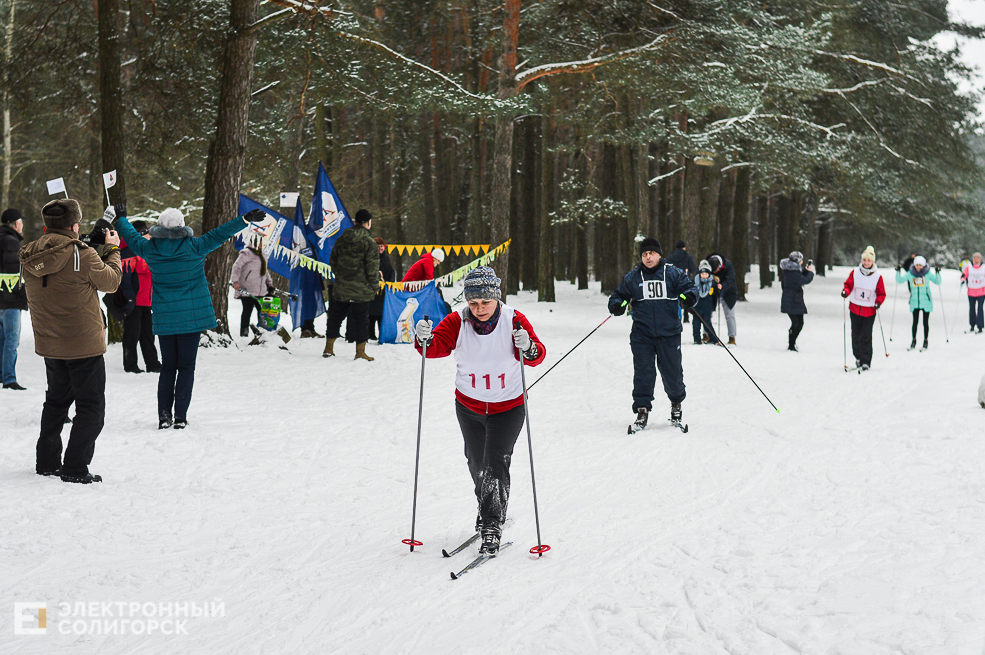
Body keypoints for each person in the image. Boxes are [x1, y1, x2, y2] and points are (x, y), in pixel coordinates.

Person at [413, 266, 546, 555]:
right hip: (469, 406)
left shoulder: (514, 320)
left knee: (495, 462)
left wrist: (529, 347)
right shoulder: (457, 321)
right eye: (473, 303)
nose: (480, 309)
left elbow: (537, 355)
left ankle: (492, 525)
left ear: (496, 298)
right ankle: (487, 508)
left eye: (485, 302)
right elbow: (434, 348)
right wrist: (423, 338)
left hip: (508, 406)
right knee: (477, 464)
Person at [113, 204, 262, 429]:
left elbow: (132, 237)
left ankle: (164, 416)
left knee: (168, 367)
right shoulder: (194, 246)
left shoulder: (150, 249)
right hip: (191, 318)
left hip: (164, 316)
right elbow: (221, 233)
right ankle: (180, 417)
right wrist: (244, 219)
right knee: (186, 367)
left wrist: (122, 218)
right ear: (182, 226)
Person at [19, 199, 123, 483]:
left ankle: (47, 462)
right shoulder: (81, 253)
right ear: (74, 226)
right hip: (84, 345)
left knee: (55, 403)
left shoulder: (29, 253)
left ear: (46, 226)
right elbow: (111, 282)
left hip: (50, 343)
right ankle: (75, 467)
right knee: (91, 408)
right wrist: (112, 250)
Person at [608, 237, 698, 431]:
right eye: (644, 254)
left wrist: (689, 296)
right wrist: (617, 305)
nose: (648, 258)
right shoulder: (632, 277)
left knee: (672, 373)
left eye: (651, 253)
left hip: (669, 334)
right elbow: (619, 296)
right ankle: (642, 410)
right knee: (643, 373)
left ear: (659, 254)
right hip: (642, 335)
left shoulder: (672, 273)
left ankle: (676, 404)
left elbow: (689, 288)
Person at [323, 208, 378, 361]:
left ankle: (329, 348)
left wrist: (340, 276)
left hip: (341, 287)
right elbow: (372, 268)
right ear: (367, 223)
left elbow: (332, 260)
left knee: (335, 317)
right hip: (362, 290)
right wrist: (374, 286)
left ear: (355, 222)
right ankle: (360, 352)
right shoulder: (369, 242)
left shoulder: (342, 238)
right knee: (361, 320)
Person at [120, 221, 161, 373]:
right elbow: (125, 278)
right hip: (134, 301)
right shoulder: (129, 252)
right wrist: (129, 298)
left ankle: (153, 364)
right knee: (132, 334)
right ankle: (130, 365)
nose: (150, 235)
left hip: (146, 300)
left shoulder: (147, 251)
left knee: (148, 334)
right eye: (146, 233)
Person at [841, 246, 886, 370]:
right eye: (864, 260)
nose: (866, 263)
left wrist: (878, 302)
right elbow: (848, 285)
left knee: (866, 336)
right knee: (855, 335)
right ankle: (858, 357)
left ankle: (866, 360)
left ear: (873, 262)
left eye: (869, 261)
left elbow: (881, 293)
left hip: (869, 311)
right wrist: (845, 291)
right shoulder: (855, 272)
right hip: (855, 309)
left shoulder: (877, 276)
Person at [0, 208, 28, 389]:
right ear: (16, 223)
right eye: (21, 221)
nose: (23, 225)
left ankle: (3, 375)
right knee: (11, 339)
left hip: (2, 299)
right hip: (9, 300)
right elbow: (14, 273)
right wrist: (24, 294)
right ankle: (9, 378)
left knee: (3, 339)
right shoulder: (11, 242)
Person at [230, 235, 273, 337]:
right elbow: (236, 266)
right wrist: (235, 281)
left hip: (261, 288)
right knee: (247, 309)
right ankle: (244, 331)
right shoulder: (246, 253)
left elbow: (265, 270)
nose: (262, 245)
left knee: (262, 310)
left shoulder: (263, 254)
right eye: (261, 243)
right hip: (247, 288)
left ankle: (263, 330)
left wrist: (269, 283)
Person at [896, 255, 940, 350]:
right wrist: (898, 272)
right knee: (915, 322)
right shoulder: (910, 274)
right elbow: (899, 280)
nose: (918, 267)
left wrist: (937, 273)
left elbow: (938, 282)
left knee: (925, 322)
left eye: (920, 265)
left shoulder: (927, 274)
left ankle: (925, 340)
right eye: (917, 265)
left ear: (923, 265)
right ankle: (913, 340)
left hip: (926, 301)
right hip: (914, 301)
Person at [779, 251, 815, 352]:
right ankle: (791, 344)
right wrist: (811, 272)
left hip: (796, 300)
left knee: (800, 323)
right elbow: (804, 280)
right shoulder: (793, 272)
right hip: (792, 300)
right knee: (796, 323)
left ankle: (792, 343)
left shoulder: (792, 270)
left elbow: (800, 278)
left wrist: (806, 271)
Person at [706, 253, 738, 345]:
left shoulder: (728, 265)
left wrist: (722, 286)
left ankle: (732, 337)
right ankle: (707, 334)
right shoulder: (707, 264)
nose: (715, 272)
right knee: (708, 313)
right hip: (713, 293)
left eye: (716, 270)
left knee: (729, 315)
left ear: (720, 266)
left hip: (729, 293)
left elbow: (731, 280)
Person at [369, 236, 396, 340]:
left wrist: (391, 282)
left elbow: (391, 271)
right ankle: (370, 334)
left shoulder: (386, 258)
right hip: (373, 290)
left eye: (381, 246)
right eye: (378, 246)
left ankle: (382, 334)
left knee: (381, 315)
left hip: (384, 290)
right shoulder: (371, 257)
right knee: (371, 315)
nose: (380, 248)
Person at [666, 241, 696, 323]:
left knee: (676, 299)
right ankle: (686, 317)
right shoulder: (688, 256)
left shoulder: (671, 256)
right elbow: (693, 269)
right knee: (685, 297)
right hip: (684, 281)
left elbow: (666, 268)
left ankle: (677, 316)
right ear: (684, 247)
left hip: (673, 281)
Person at [692, 259, 718, 344]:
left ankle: (713, 338)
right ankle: (697, 339)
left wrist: (719, 290)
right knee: (696, 324)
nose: (703, 275)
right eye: (702, 274)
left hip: (707, 307)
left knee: (707, 324)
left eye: (705, 274)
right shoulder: (695, 282)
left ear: (709, 274)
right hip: (697, 306)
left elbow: (716, 295)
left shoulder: (712, 283)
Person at [961, 252, 985, 333]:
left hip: (981, 291)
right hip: (971, 291)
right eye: (975, 258)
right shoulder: (969, 267)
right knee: (972, 309)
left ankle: (980, 326)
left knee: (980, 308)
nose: (976, 260)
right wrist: (963, 277)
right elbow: (964, 274)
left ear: (980, 259)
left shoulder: (983, 267)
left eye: (978, 258)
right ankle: (972, 325)